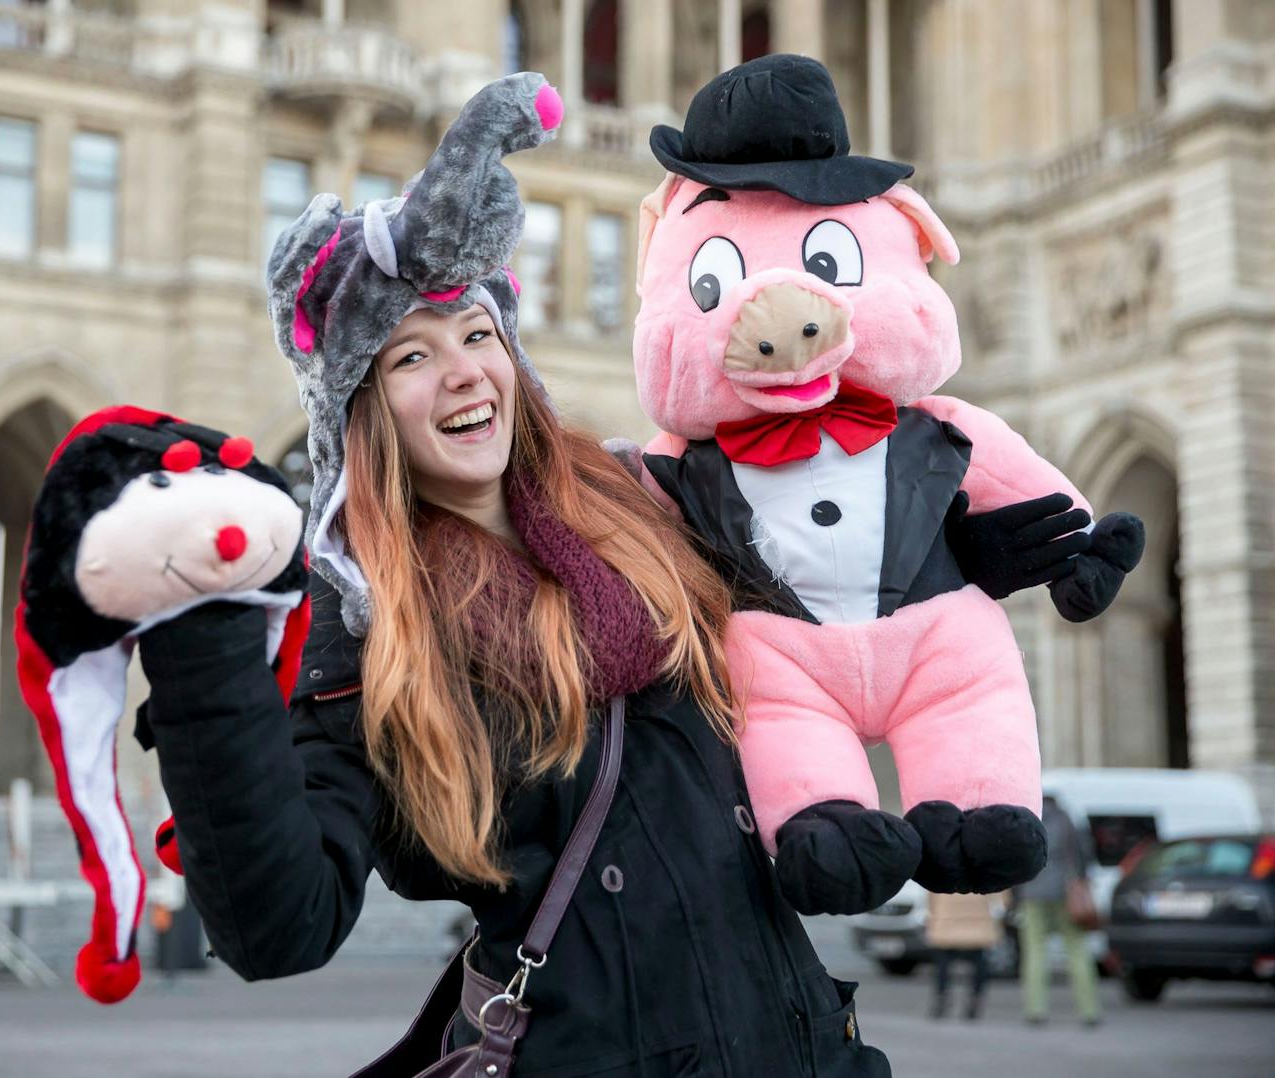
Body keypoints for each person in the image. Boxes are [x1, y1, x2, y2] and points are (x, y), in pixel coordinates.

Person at [137, 74, 1092, 1076]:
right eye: (408, 358)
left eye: (476, 335)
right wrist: (207, 672)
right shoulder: (368, 622)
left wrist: (962, 549)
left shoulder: (650, 500)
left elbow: (831, 602)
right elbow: (279, 928)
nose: (464, 371)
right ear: (361, 414)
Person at [1015, 794, 1102, 1027]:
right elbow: (1084, 854)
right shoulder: (1066, 819)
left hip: (1031, 892)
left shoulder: (1027, 819)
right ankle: (1089, 1011)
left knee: (1034, 951)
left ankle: (1035, 1010)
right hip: (1066, 892)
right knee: (1077, 950)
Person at [924, 892, 1001, 1020]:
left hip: (947, 918)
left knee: (943, 965)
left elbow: (931, 895)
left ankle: (941, 998)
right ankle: (975, 1001)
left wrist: (932, 917)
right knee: (979, 963)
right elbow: (999, 895)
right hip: (978, 919)